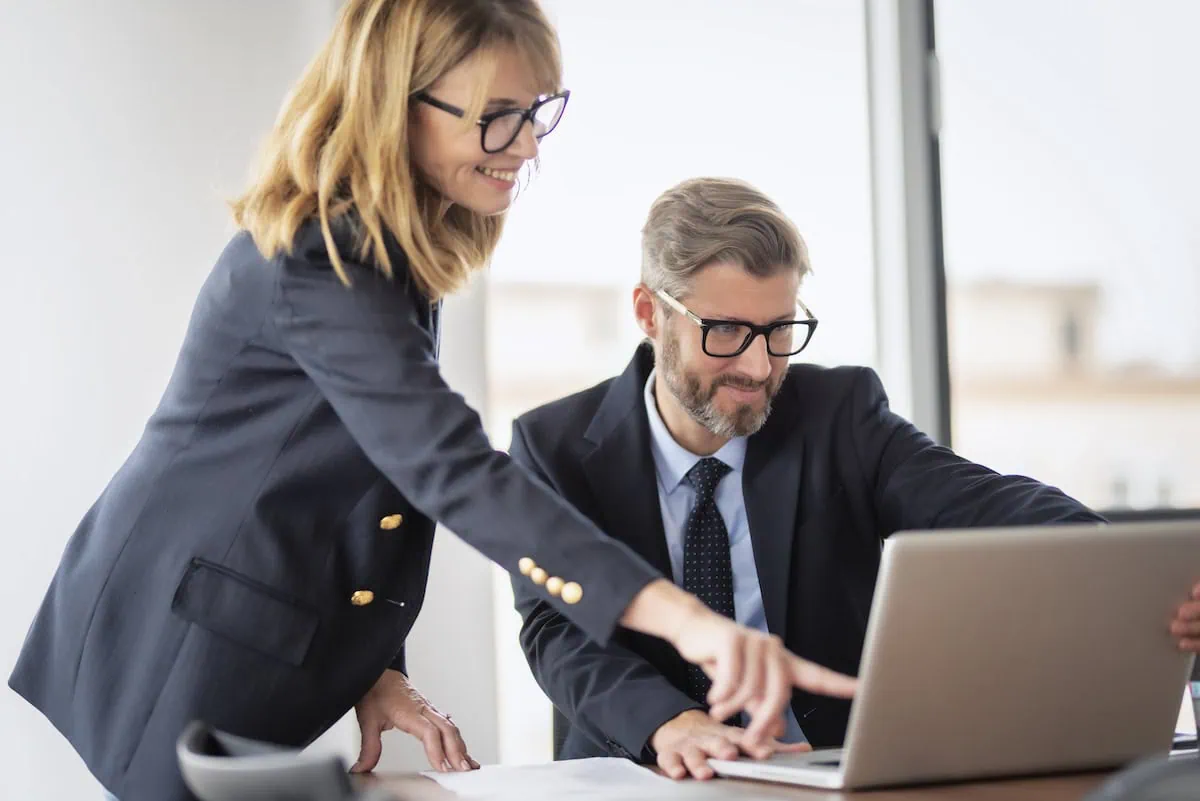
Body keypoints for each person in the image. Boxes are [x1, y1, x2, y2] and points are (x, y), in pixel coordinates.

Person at [7, 6, 856, 801]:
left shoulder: (387, 257)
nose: (524, 145)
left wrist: (374, 667)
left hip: (245, 645)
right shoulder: (321, 259)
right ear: (396, 102)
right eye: (497, 116)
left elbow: (370, 473)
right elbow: (452, 469)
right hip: (173, 653)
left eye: (536, 112)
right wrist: (687, 623)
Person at [508, 176, 1200, 780]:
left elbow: (980, 502)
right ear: (648, 314)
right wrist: (672, 722)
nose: (757, 367)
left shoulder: (838, 414)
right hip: (645, 767)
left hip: (827, 770)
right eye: (724, 333)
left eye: (779, 329)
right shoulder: (554, 448)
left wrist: (1130, 575)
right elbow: (557, 630)